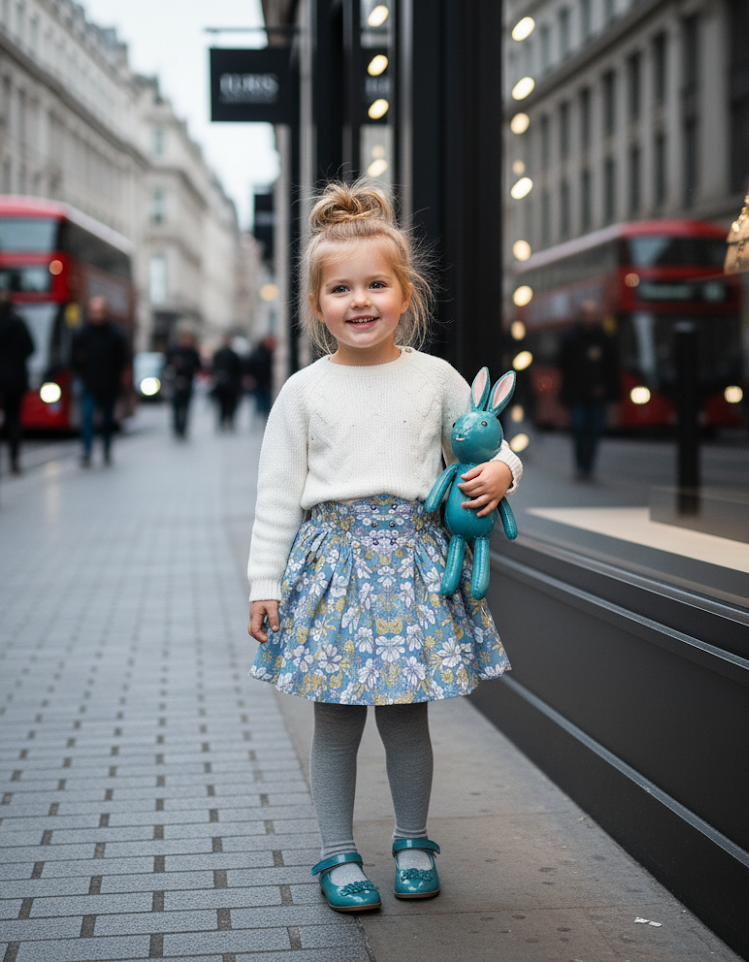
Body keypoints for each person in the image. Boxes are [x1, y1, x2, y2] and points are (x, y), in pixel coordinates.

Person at [245, 181, 523, 913]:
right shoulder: (303, 392)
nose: (359, 300)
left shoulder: (434, 379)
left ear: (406, 294)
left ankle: (412, 840)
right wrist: (261, 585)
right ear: (316, 306)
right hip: (330, 568)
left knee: (406, 717)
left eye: (376, 284)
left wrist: (502, 471)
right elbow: (276, 495)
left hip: (412, 566)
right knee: (334, 718)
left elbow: (486, 443)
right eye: (340, 288)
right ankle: (337, 853)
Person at [557, 300, 621, 481]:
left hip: (596, 394)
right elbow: (563, 366)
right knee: (579, 428)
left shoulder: (604, 338)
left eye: (592, 314)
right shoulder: (570, 338)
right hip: (577, 394)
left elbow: (611, 367)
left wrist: (606, 387)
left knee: (594, 431)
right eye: (586, 314)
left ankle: (588, 467)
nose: (589, 318)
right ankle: (580, 465)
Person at [72, 295, 128, 466]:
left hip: (109, 385)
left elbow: (122, 360)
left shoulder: (115, 334)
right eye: (94, 311)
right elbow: (74, 358)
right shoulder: (83, 333)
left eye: (100, 311)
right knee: (87, 417)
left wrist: (120, 381)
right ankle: (87, 451)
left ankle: (106, 449)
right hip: (89, 383)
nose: (97, 315)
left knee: (107, 420)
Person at [0, 291, 34, 474]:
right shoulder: (18, 324)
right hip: (15, 380)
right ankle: (14, 459)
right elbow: (31, 348)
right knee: (13, 420)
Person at [165, 328, 202, 439]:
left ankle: (183, 428)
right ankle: (176, 427)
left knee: (186, 408)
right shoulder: (174, 350)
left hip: (188, 383)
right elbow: (167, 365)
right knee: (176, 406)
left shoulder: (193, 352)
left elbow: (198, 366)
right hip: (175, 382)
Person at [210, 334, 243, 431]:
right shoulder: (222, 354)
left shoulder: (230, 355)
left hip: (229, 385)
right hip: (225, 385)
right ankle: (225, 421)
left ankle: (226, 421)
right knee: (225, 405)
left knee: (226, 405)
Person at [245, 334, 275, 423]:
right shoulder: (265, 354)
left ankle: (261, 419)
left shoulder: (268, 354)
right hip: (261, 382)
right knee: (261, 402)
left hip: (264, 382)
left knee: (262, 403)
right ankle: (261, 419)